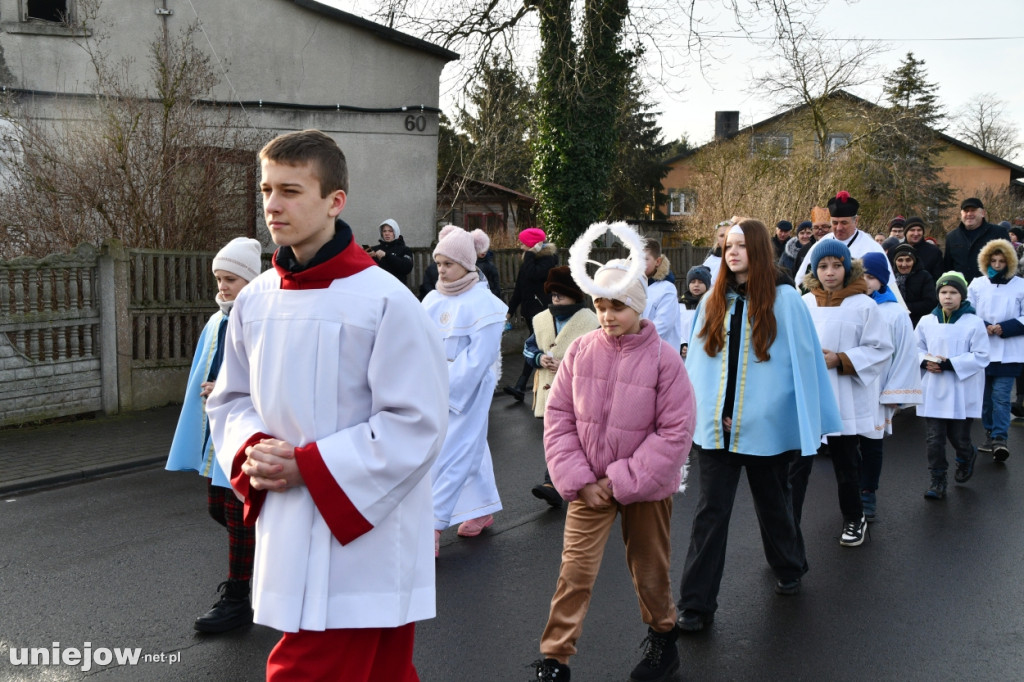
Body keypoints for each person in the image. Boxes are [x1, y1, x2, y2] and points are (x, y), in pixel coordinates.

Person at [206, 129, 449, 682]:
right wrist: (252, 450)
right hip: (293, 522)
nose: (272, 204)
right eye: (267, 189)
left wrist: (310, 466)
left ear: (335, 201)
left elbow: (418, 423)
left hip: (364, 535)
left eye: (290, 190)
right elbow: (231, 398)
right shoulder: (255, 300)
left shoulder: (387, 301)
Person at [533, 222, 695, 682]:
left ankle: (664, 638)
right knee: (574, 575)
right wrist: (581, 480)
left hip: (643, 489)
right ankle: (555, 660)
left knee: (650, 573)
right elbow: (559, 417)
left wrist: (619, 480)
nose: (607, 314)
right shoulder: (581, 352)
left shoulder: (666, 360)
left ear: (638, 304)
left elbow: (674, 433)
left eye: (618, 305)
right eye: (600, 305)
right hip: (587, 489)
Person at [676, 220, 840, 635]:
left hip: (765, 428)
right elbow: (699, 366)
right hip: (717, 430)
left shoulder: (785, 300)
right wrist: (709, 413)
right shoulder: (713, 300)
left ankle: (789, 566)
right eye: (728, 246)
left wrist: (760, 415)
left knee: (774, 504)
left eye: (742, 246)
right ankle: (696, 604)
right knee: (709, 514)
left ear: (759, 250)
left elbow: (798, 367)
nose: (732, 253)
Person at [166, 236, 263, 634]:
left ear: (251, 282)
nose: (223, 287)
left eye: (232, 280)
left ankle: (238, 599)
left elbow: (267, 377)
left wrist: (224, 388)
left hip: (246, 431)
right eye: (219, 279)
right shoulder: (215, 319)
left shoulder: (260, 320)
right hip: (216, 433)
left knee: (240, 518)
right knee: (217, 509)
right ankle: (269, 553)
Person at [792, 240, 893, 547]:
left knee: (846, 464)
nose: (830, 272)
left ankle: (854, 517)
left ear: (848, 268)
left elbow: (880, 348)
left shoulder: (863, 305)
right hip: (809, 398)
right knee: (797, 468)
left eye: (837, 265)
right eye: (823, 266)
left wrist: (841, 359)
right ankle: (787, 526)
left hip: (843, 396)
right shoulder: (804, 303)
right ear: (814, 270)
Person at [422, 225, 506, 554]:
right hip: (432, 384)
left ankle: (432, 523)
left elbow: (480, 357)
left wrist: (448, 386)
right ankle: (482, 506)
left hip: (466, 389)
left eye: (448, 264)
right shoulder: (432, 298)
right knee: (472, 446)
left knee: (454, 451)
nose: (441, 270)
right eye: (439, 263)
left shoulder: (485, 302)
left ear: (467, 264)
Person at [522, 266, 600, 508]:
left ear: (576, 296)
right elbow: (529, 347)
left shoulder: (591, 322)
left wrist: (568, 364)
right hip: (550, 393)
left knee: (573, 439)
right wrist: (538, 359)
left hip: (579, 394)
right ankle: (555, 482)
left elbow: (600, 359)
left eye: (561, 296)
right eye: (553, 295)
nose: (556, 300)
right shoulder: (542, 319)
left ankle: (558, 482)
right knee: (556, 438)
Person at [858, 252, 923, 522]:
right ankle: (850, 491)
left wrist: (895, 393)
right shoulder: (850, 306)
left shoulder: (895, 313)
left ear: (882, 280)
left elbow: (907, 353)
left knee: (871, 444)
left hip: (878, 387)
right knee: (846, 445)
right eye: (861, 275)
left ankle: (867, 492)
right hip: (850, 383)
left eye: (871, 276)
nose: (865, 281)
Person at [915, 272, 990, 499]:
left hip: (961, 390)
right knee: (934, 439)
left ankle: (966, 455)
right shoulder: (927, 321)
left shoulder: (973, 322)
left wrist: (951, 365)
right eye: (944, 292)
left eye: (953, 292)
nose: (948, 297)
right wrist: (925, 361)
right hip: (934, 388)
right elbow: (914, 348)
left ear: (962, 295)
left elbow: (982, 355)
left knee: (958, 437)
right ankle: (938, 479)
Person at [966, 239, 1024, 462]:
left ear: (1009, 262)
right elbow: (968, 310)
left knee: (1000, 397)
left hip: (1009, 350)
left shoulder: (1020, 285)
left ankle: (1001, 437)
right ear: (986, 261)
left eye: (1002, 261)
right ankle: (990, 432)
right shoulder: (977, 284)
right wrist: (983, 327)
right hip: (983, 348)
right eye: (993, 260)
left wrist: (1005, 327)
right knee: (985, 398)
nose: (997, 264)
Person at [793, 192, 904, 308]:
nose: (839, 227)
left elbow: (886, 286)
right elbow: (802, 281)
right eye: (835, 223)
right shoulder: (821, 245)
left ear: (856, 221)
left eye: (844, 223)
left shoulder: (871, 247)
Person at [504, 227, 559, 401]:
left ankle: (522, 385)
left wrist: (529, 255)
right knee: (539, 346)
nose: (520, 247)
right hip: (530, 313)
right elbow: (520, 287)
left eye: (523, 243)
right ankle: (532, 385)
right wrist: (510, 311)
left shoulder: (548, 260)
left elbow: (534, 275)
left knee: (535, 345)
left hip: (542, 312)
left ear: (532, 245)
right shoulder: (529, 260)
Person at [942, 197, 1011, 282]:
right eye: (966, 211)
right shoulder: (952, 236)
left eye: (973, 210)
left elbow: (1009, 261)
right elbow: (948, 267)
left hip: (990, 287)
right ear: (961, 214)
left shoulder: (998, 233)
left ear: (983, 213)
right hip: (962, 290)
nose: (969, 214)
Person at [643, 238, 682, 352]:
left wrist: (637, 343)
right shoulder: (632, 287)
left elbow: (663, 326)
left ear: (658, 262)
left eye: (645, 259)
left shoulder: (667, 289)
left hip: (659, 353)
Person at [890, 243, 937, 328]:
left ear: (914, 261)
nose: (904, 264)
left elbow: (930, 303)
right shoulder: (890, 278)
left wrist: (904, 308)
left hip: (918, 323)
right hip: (895, 323)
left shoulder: (925, 277)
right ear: (895, 262)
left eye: (908, 260)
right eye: (900, 260)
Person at [368, 218, 414, 285]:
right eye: (384, 231)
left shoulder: (404, 249)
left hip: (397, 286)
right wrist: (367, 257)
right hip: (378, 286)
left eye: (390, 231)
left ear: (396, 232)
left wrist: (387, 255)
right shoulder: (375, 249)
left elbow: (406, 267)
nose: (387, 233)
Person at [679, 265, 711, 359]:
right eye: (693, 282)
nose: (696, 285)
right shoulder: (680, 305)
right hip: (685, 355)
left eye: (701, 282)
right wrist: (682, 344)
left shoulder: (712, 304)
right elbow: (675, 328)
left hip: (705, 353)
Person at [793, 207, 831, 277]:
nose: (820, 230)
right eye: (816, 227)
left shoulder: (841, 246)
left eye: (824, 226)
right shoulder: (804, 251)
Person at [903, 216, 943, 281]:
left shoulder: (934, 252)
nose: (916, 233)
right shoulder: (894, 250)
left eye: (919, 230)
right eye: (912, 230)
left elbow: (938, 278)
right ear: (906, 232)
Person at [702, 220, 731, 287]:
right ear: (717, 239)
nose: (725, 238)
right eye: (722, 235)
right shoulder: (711, 260)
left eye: (728, 234)